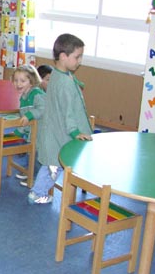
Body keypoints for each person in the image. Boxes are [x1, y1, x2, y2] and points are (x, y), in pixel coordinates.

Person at [28, 33, 93, 205]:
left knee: (55, 164)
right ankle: (37, 193)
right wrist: (75, 132)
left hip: (56, 129)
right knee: (53, 166)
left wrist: (77, 84)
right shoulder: (64, 83)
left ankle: (41, 190)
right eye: (77, 57)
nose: (80, 61)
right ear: (63, 56)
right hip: (59, 133)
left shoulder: (58, 73)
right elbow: (67, 111)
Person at [10, 64, 46, 187]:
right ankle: (30, 171)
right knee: (30, 152)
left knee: (36, 155)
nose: (18, 84)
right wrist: (19, 132)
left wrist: (29, 115)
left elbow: (43, 109)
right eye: (16, 80)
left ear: (31, 81)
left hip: (42, 131)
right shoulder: (24, 97)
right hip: (32, 131)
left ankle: (36, 178)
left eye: (22, 81)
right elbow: (24, 118)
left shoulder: (36, 94)